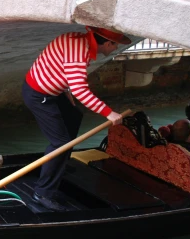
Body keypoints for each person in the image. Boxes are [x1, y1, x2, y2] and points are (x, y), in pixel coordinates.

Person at [22, 26, 130, 212]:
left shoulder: (78, 40)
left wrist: (65, 90)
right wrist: (108, 113)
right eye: (116, 45)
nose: (116, 49)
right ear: (107, 42)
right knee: (60, 143)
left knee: (74, 116)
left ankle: (59, 165)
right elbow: (81, 90)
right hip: (39, 95)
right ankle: (42, 192)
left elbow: (58, 65)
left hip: (53, 91)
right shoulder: (79, 53)